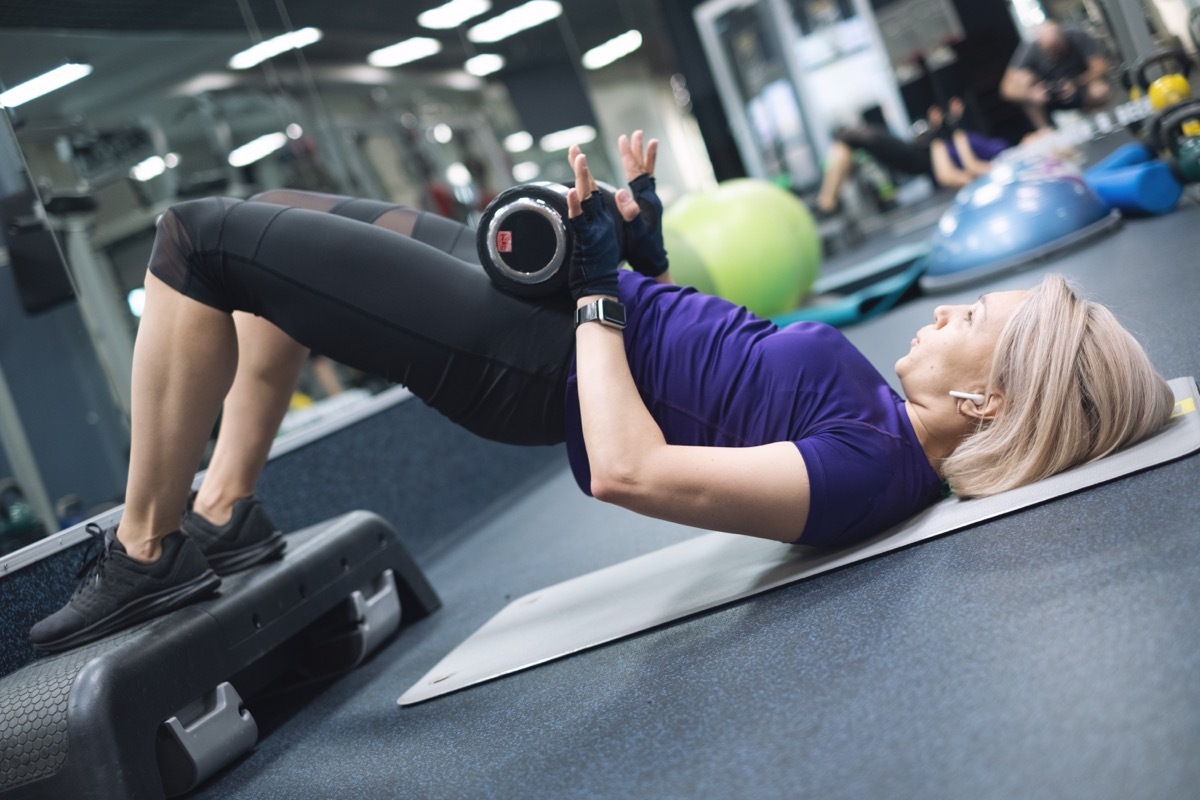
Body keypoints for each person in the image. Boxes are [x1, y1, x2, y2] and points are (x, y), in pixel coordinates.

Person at [30, 129, 1174, 653]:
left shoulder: (873, 468)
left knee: (201, 239)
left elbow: (632, 464)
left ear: (988, 404)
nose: (944, 309)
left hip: (532, 364)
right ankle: (226, 512)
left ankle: (149, 543)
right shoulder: (880, 422)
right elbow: (705, 384)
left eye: (971, 321)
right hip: (574, 320)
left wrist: (595, 294)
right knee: (283, 246)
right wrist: (641, 250)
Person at [815, 100, 1009, 215]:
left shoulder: (998, 153)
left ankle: (827, 199)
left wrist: (949, 133)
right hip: (920, 151)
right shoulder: (986, 145)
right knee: (847, 142)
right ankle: (829, 197)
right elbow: (968, 167)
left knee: (848, 138)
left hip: (920, 159)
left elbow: (963, 170)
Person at [1000, 20, 1112, 131]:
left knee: (1100, 90)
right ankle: (1045, 130)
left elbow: (1101, 66)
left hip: (1081, 89)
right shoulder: (1030, 49)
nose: (1055, 53)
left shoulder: (1076, 36)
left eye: (1057, 47)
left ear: (1063, 37)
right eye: (1050, 49)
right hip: (1047, 98)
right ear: (1040, 44)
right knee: (1022, 79)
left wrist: (1077, 83)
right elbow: (1006, 89)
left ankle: (1100, 121)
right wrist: (1032, 94)